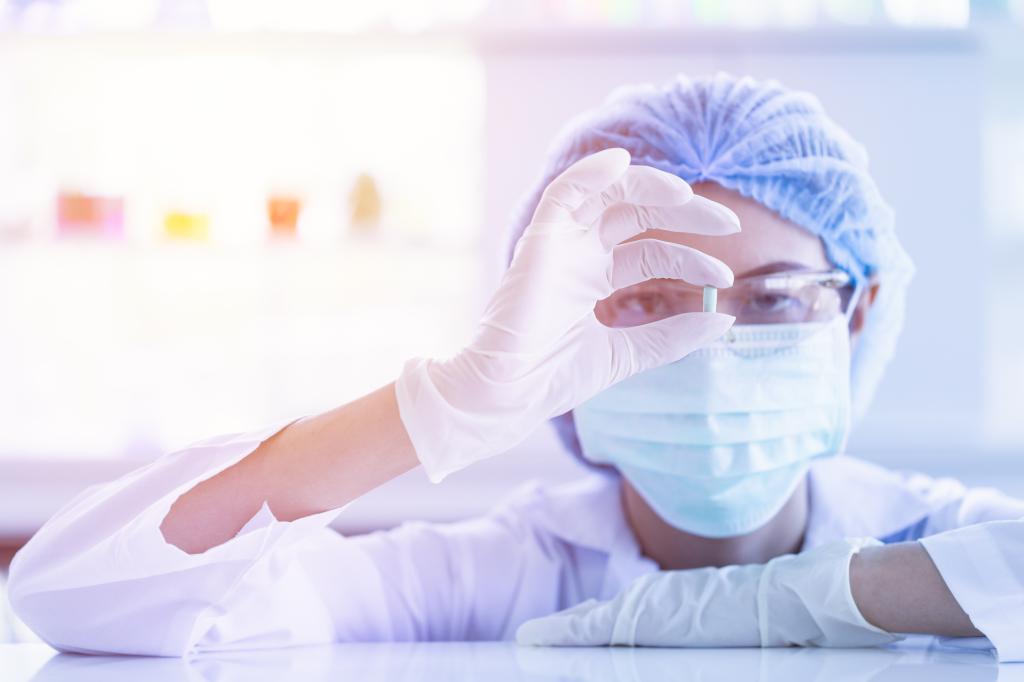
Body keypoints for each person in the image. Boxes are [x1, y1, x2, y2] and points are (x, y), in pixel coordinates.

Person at [8, 73, 1024, 660]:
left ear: (858, 311)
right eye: (651, 301)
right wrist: (442, 405)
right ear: (559, 328)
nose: (712, 349)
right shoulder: (493, 573)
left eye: (770, 299)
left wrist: (801, 599)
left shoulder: (925, 529)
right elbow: (81, 597)